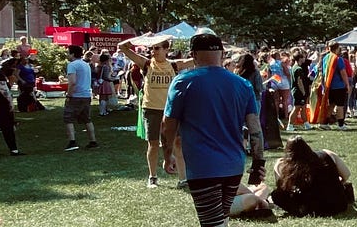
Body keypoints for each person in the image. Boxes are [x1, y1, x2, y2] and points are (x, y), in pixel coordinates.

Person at [161, 32, 265, 227]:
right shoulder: (242, 84)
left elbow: (169, 123)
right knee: (221, 219)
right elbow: (255, 128)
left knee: (213, 223)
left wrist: (167, 155)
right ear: (222, 53)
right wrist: (259, 163)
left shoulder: (184, 81)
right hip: (234, 165)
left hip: (203, 167)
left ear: (193, 54)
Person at [120, 35, 191, 188]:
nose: (154, 51)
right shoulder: (145, 64)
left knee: (178, 143)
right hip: (151, 109)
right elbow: (122, 47)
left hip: (171, 111)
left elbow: (198, 60)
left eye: (157, 48)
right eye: (152, 48)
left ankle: (183, 179)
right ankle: (152, 177)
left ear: (166, 49)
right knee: (153, 144)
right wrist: (142, 38)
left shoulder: (174, 65)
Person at [270, 136, 354, 217]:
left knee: (275, 195)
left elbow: (282, 189)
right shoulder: (327, 154)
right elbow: (346, 175)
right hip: (338, 205)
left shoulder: (284, 165)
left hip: (309, 209)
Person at [63, 45, 99, 151]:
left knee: (68, 118)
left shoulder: (72, 65)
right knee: (86, 119)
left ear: (73, 54)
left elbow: (72, 82)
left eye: (68, 53)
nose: (67, 55)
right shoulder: (85, 64)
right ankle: (93, 141)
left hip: (76, 96)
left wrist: (69, 95)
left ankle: (72, 142)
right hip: (86, 95)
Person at [311, 42, 354, 131]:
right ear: (337, 48)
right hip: (339, 86)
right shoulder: (338, 59)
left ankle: (325, 122)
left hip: (329, 86)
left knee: (331, 105)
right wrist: (347, 84)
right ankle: (341, 124)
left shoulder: (325, 58)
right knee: (340, 105)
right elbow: (343, 72)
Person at [290, 52, 314, 130]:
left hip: (298, 91)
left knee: (303, 108)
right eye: (303, 57)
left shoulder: (294, 67)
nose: (304, 59)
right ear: (300, 59)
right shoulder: (298, 69)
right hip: (298, 91)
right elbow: (299, 82)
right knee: (296, 108)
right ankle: (290, 125)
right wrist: (303, 92)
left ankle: (306, 124)